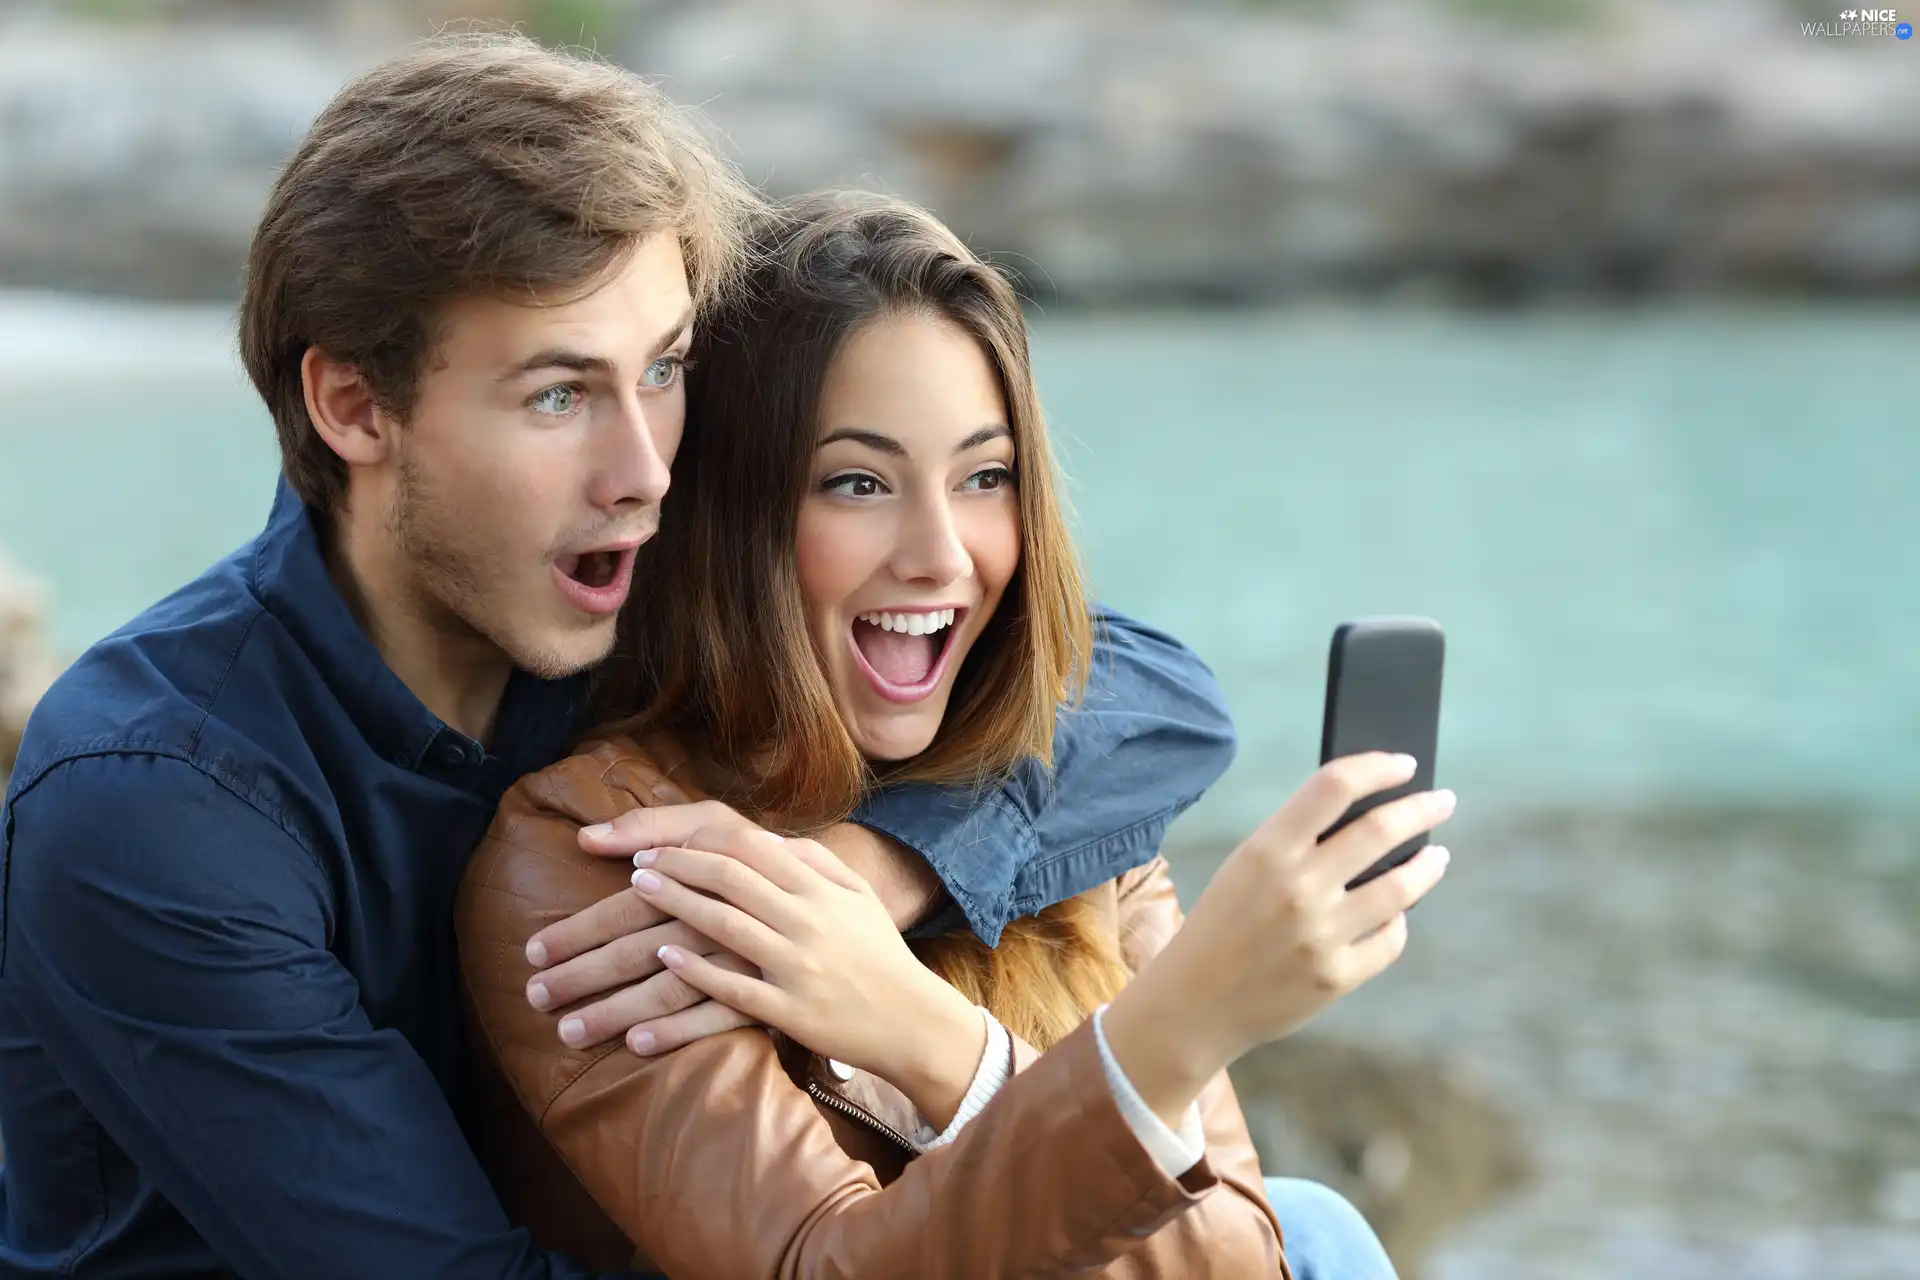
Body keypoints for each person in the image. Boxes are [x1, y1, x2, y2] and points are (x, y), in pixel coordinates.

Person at [0, 37, 1245, 1278]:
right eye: (559, 395)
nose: (648, 471)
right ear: (353, 406)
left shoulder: (612, 590)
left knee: (1311, 1232)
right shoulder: (156, 798)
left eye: (664, 371)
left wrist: (883, 864)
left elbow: (1150, 694)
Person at [459, 192, 1449, 1278]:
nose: (941, 553)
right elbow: (814, 1263)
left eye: (985, 477)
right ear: (725, 515)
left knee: (1314, 1233)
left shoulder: (1063, 791)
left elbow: (1233, 1260)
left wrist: (935, 1043)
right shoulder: (599, 854)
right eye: (859, 483)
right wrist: (1173, 1030)